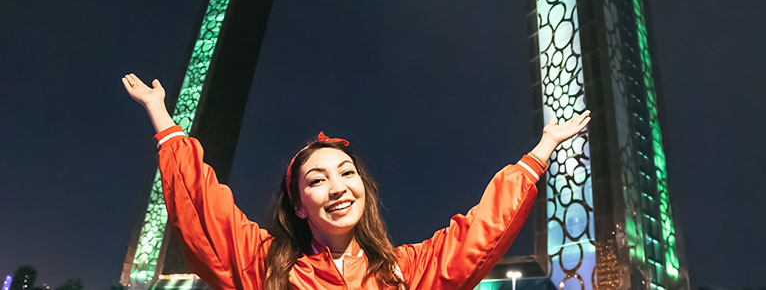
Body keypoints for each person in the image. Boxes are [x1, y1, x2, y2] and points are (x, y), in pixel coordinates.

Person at [122, 73, 590, 290]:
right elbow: (201, 205)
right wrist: (162, 118)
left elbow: (481, 232)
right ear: (299, 204)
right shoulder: (265, 268)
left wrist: (541, 149)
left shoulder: (403, 272)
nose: (339, 187)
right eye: (318, 180)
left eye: (348, 173)